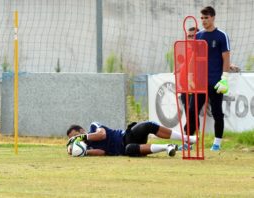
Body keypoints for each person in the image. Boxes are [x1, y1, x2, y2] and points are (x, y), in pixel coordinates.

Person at [187, 6, 230, 151]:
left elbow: (226, 58)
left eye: (206, 18)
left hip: (216, 81)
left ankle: (217, 144)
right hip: (199, 81)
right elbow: (193, 57)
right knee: (192, 110)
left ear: (213, 17)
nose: (204, 20)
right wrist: (190, 76)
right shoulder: (199, 36)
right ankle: (189, 142)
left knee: (217, 112)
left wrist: (224, 78)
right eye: (202, 18)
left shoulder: (222, 35)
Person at [66, 121, 197, 157]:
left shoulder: (93, 127)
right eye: (73, 139)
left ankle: (187, 139)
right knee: (130, 149)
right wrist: (81, 151)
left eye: (75, 136)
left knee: (147, 125)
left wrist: (82, 137)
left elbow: (102, 135)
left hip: (127, 136)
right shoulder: (87, 148)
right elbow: (102, 152)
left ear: (82, 131)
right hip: (126, 149)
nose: (76, 140)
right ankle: (168, 147)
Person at [178, 27, 200, 151]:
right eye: (189, 36)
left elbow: (215, 60)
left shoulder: (201, 49)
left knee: (192, 113)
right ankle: (191, 141)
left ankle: (189, 141)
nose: (191, 38)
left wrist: (229, 65)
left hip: (195, 88)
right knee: (189, 114)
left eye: (193, 36)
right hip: (183, 89)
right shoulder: (186, 49)